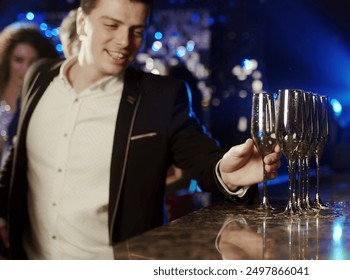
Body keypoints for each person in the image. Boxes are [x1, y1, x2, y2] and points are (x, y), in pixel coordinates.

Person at [0, 0, 281, 260]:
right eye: (112, 25)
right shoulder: (38, 75)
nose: (125, 42)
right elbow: (18, 154)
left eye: (137, 30)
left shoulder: (160, 97)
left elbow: (200, 156)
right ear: (82, 23)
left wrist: (226, 173)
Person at [0, 22, 59, 165]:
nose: (25, 68)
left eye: (32, 61)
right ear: (6, 59)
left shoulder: (45, 101)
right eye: (19, 60)